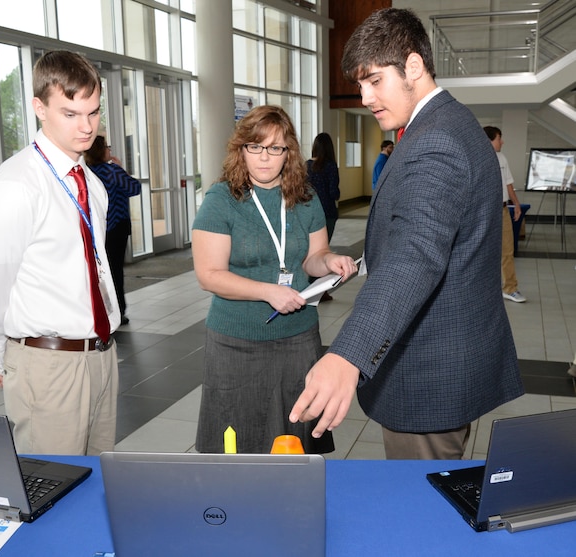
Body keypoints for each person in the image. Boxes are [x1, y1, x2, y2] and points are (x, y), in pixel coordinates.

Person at [289, 8, 524, 460]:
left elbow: (415, 256)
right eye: (360, 84)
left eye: (374, 80)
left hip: (429, 374)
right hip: (447, 359)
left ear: (413, 66)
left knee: (425, 511)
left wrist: (346, 355)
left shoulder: (437, 140)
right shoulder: (445, 126)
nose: (365, 96)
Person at [0, 50, 120, 456]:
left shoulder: (90, 182)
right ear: (39, 108)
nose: (86, 127)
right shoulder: (14, 188)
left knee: (96, 483)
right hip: (47, 363)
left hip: (101, 356)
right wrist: (9, 362)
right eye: (70, 114)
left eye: (93, 112)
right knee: (49, 488)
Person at [192, 105, 357, 454]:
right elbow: (209, 275)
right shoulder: (221, 200)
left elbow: (313, 257)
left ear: (289, 152)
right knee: (238, 440)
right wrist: (269, 291)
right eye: (255, 147)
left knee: (294, 435)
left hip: (297, 341)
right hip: (236, 341)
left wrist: (331, 261)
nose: (264, 158)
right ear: (241, 149)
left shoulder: (305, 198)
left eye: (275, 148)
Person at [84, 135, 142, 324]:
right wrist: (119, 168)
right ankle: (117, 311)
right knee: (115, 271)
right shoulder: (111, 171)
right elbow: (134, 188)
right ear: (101, 150)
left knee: (97, 271)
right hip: (116, 227)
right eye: (107, 146)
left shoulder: (86, 172)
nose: (110, 149)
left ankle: (101, 311)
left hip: (95, 229)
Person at [484, 126, 526, 303]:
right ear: (489, 140)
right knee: (483, 252)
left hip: (502, 210)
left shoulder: (502, 158)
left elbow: (508, 183)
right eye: (499, 138)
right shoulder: (478, 158)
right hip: (485, 212)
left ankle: (510, 288)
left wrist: (516, 204)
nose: (502, 141)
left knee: (507, 250)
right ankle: (484, 289)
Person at [306, 132, 341, 301]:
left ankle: (307, 287)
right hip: (327, 213)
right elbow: (334, 192)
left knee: (309, 251)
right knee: (322, 251)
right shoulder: (330, 166)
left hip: (307, 213)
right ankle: (320, 290)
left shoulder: (306, 165)